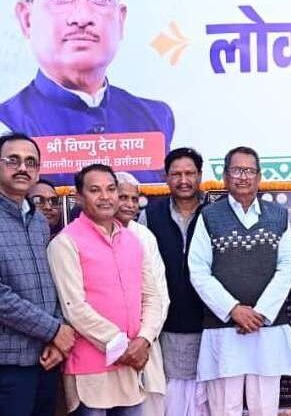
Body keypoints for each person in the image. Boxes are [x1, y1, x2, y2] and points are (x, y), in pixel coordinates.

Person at [0, 0, 175, 184]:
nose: (82, 17)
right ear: (26, 18)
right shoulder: (7, 122)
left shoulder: (155, 119)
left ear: (120, 18)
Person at [46, 164, 165, 415]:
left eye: (111, 189)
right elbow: (74, 308)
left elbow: (152, 296)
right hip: (91, 371)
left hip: (131, 367)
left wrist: (144, 339)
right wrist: (123, 347)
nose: (105, 197)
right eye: (95, 190)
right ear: (79, 197)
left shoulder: (133, 240)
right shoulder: (65, 242)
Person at [188, 146, 291, 416]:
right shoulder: (209, 216)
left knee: (265, 407)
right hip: (225, 329)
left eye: (249, 171)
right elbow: (198, 270)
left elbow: (286, 267)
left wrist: (261, 312)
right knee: (225, 407)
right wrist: (233, 309)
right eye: (237, 170)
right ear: (225, 176)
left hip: (267, 327)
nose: (243, 177)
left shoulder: (278, 215)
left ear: (259, 177)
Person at [0, 132, 74, 416]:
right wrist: (53, 330)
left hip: (46, 357)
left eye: (30, 162)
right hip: (8, 362)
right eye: (13, 160)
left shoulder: (39, 221)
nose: (23, 168)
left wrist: (56, 338)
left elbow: (51, 282)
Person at [139, 147, 209, 416]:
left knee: (208, 399)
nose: (183, 180)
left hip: (210, 323)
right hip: (166, 325)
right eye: (176, 174)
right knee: (171, 400)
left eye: (190, 173)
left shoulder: (215, 214)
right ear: (165, 177)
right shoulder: (151, 215)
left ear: (200, 175)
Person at [114, 172, 170, 416]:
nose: (129, 204)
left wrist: (145, 339)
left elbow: (160, 294)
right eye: (123, 197)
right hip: (108, 344)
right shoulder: (88, 236)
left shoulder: (144, 236)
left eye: (134, 199)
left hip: (145, 340)